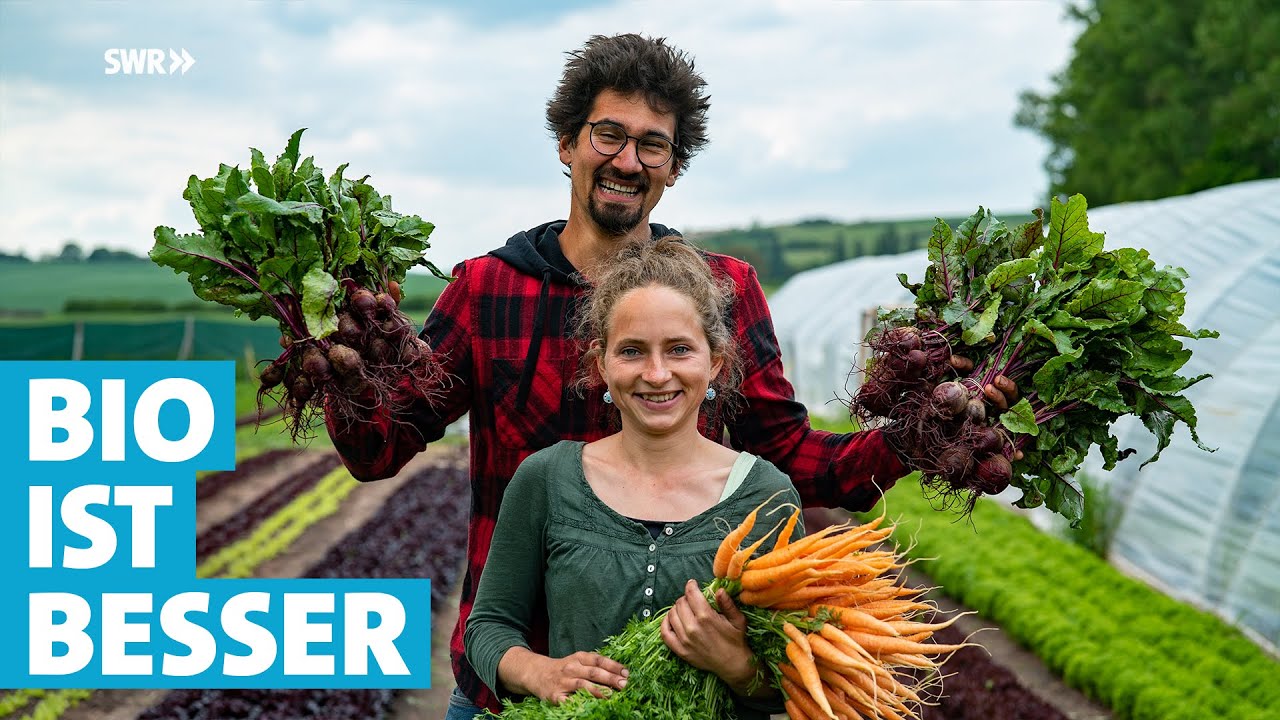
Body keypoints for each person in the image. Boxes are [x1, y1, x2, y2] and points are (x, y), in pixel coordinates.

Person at [321, 33, 1018, 716]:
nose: (628, 160)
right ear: (566, 144)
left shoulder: (722, 293)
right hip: (512, 687)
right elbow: (378, 448)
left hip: (687, 692)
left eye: (653, 144)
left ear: (674, 166)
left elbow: (791, 460)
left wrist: (923, 431)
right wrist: (326, 349)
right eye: (608, 135)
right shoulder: (487, 290)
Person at [464, 236, 798, 719]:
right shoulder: (547, 478)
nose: (657, 374)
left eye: (679, 349)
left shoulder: (766, 496)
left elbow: (800, 677)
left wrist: (737, 665)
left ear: (715, 363)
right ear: (600, 364)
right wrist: (539, 672)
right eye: (633, 351)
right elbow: (488, 626)